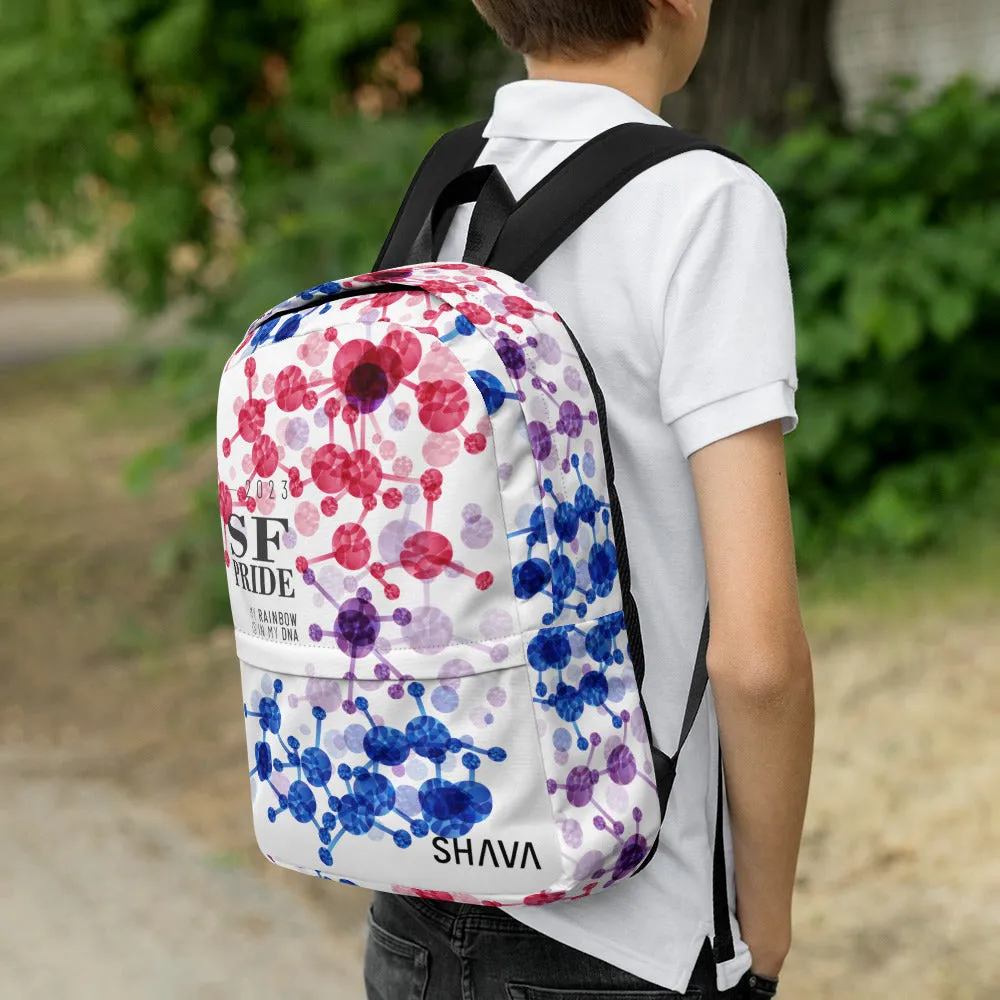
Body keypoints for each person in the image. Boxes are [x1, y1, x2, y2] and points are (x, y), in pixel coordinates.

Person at [364, 1, 815, 997]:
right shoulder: (706, 203)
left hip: (417, 896)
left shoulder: (447, 187)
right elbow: (756, 661)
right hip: (625, 929)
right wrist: (765, 923)